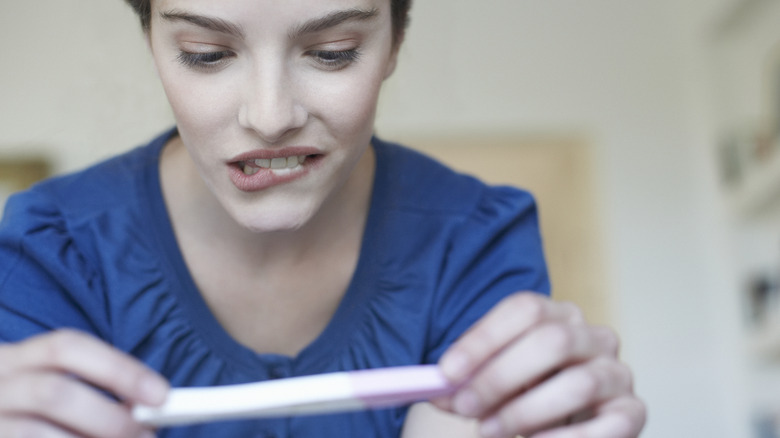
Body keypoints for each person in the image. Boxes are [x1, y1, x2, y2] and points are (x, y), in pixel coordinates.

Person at [0, 0, 646, 437]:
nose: (271, 114)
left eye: (333, 52)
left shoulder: (473, 240)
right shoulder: (49, 252)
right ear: (151, 42)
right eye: (205, 54)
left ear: (394, 41)